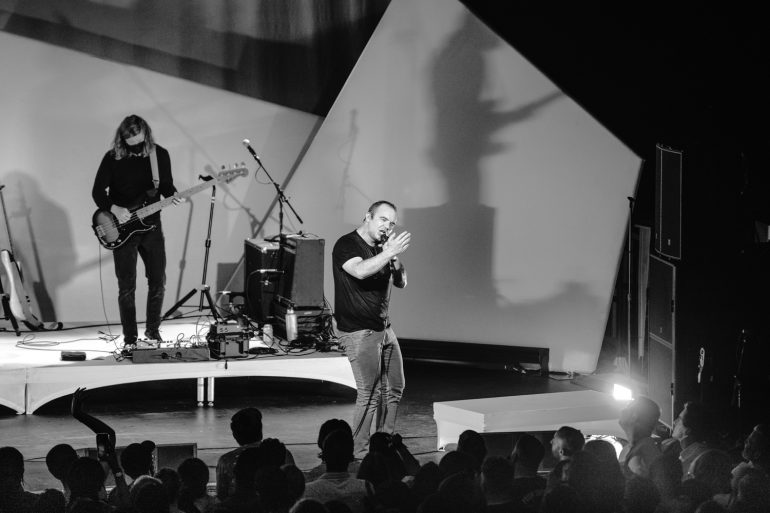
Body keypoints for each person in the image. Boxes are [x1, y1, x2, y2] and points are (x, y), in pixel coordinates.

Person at [92, 114, 179, 347]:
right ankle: (130, 339)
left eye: (139, 141)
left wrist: (174, 195)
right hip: (121, 228)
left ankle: (152, 332)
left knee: (158, 280)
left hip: (152, 226)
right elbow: (97, 191)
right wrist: (114, 208)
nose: (135, 146)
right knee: (126, 286)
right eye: (130, 142)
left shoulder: (159, 155)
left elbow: (166, 186)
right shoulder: (112, 157)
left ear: (145, 134)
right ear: (122, 139)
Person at [332, 200, 410, 456]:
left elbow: (402, 282)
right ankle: (359, 453)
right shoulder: (347, 244)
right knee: (369, 393)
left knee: (395, 387)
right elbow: (359, 271)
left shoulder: (383, 249)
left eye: (392, 223)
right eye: (383, 219)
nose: (387, 226)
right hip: (358, 331)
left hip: (384, 329)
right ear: (368, 216)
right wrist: (387, 253)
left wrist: (393, 257)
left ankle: (384, 445)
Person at [618, 396, 662, 479]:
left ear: (634, 416)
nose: (622, 410)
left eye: (627, 407)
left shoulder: (643, 451)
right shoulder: (643, 446)